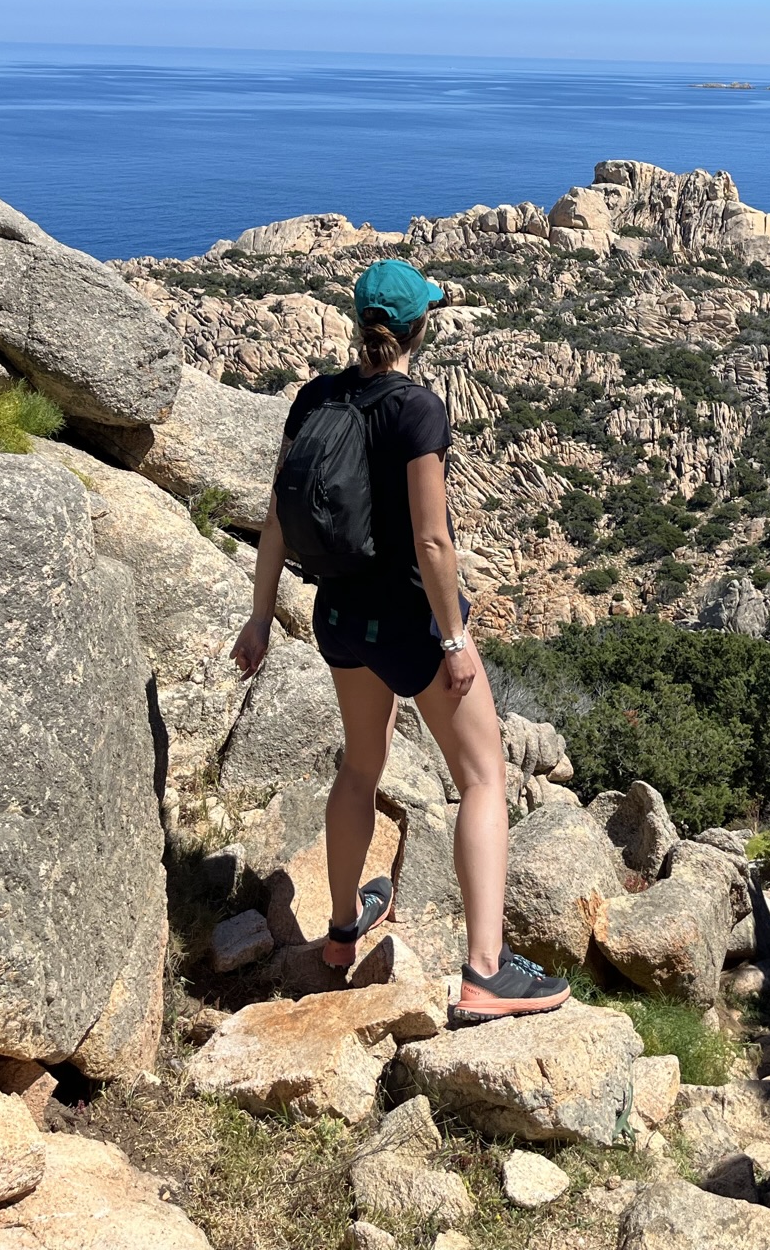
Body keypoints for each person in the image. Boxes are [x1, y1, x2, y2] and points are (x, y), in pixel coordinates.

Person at [230, 257, 570, 1023]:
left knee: (360, 765)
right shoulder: (417, 409)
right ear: (424, 327)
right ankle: (487, 970)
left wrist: (259, 618)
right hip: (410, 624)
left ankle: (344, 928)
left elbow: (278, 518)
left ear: (360, 325)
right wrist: (454, 640)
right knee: (483, 778)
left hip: (340, 618)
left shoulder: (316, 398)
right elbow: (433, 543)